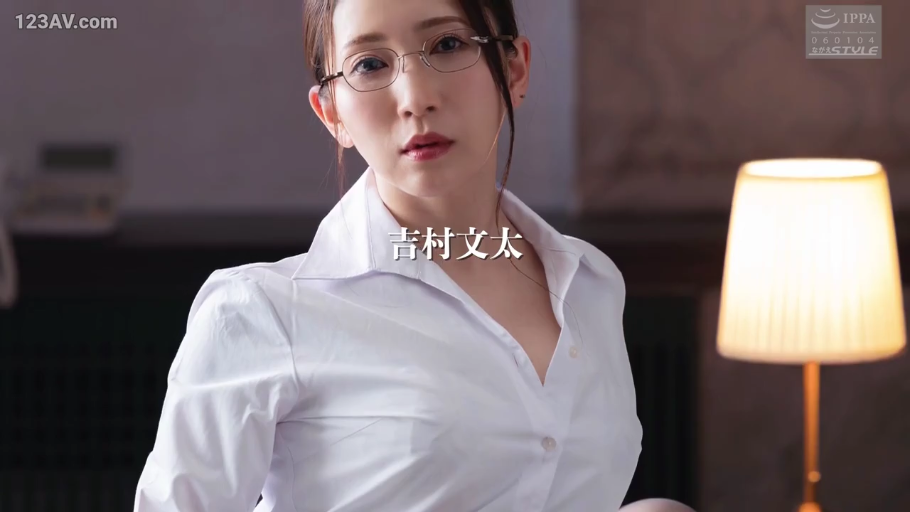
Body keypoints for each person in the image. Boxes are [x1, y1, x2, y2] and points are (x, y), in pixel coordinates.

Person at [133, 0, 675, 510]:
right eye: (369, 64)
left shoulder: (591, 282)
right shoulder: (261, 314)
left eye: (447, 45)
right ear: (331, 113)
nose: (415, 98)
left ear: (514, 70)